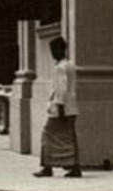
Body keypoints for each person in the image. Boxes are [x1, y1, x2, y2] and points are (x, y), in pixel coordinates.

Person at [33, 36, 81, 178]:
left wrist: (59, 107)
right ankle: (74, 166)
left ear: (61, 50)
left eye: (54, 50)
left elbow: (61, 89)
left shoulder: (60, 68)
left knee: (47, 135)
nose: (53, 53)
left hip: (61, 109)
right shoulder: (71, 65)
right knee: (69, 138)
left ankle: (47, 167)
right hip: (72, 108)